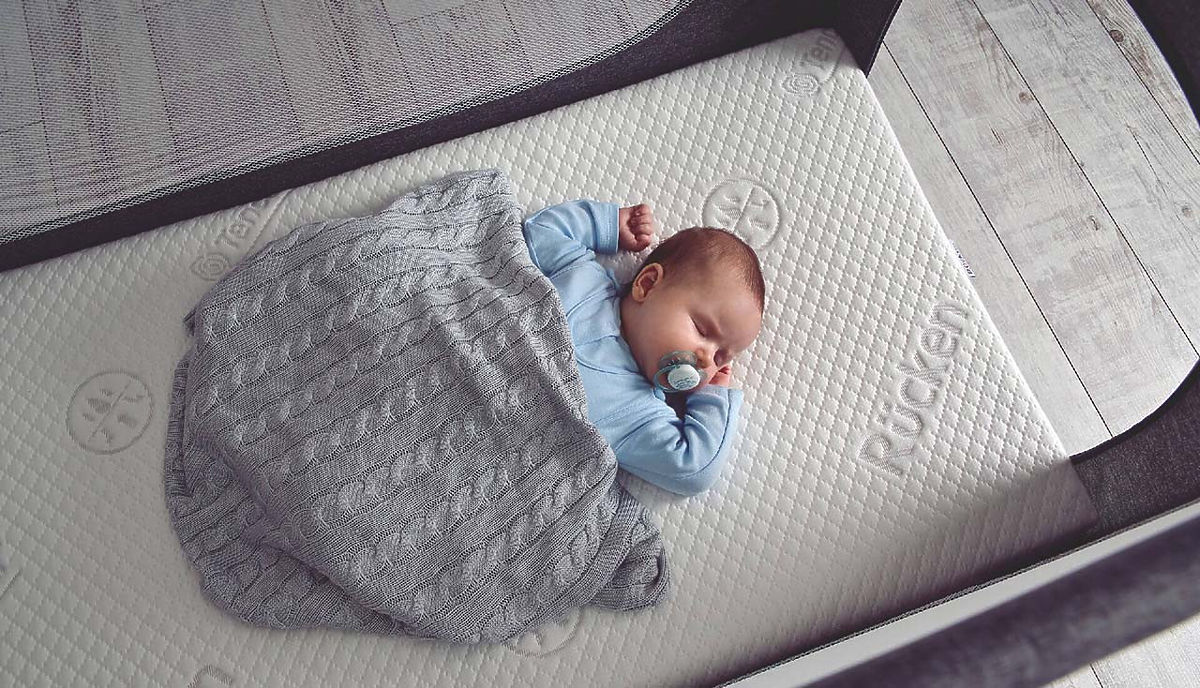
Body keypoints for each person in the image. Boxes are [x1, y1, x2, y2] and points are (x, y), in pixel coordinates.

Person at [522, 200, 765, 496]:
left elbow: (693, 469)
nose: (706, 360)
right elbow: (542, 231)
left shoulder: (636, 410)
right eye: (702, 331)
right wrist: (610, 225)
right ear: (647, 284)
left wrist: (711, 398)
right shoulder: (584, 281)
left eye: (720, 357)